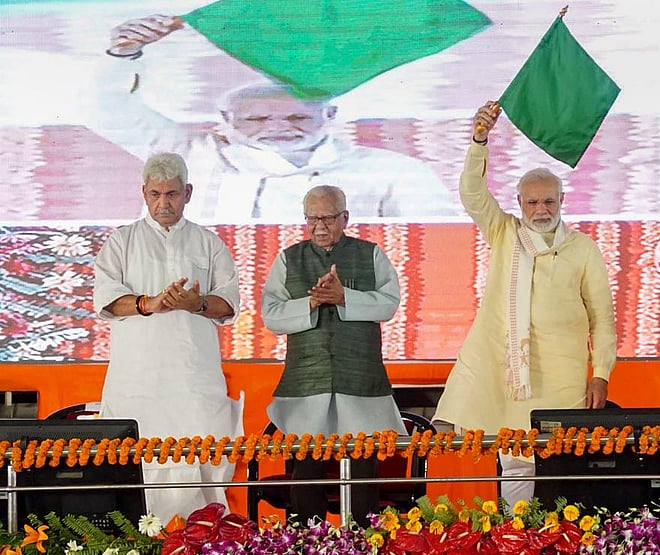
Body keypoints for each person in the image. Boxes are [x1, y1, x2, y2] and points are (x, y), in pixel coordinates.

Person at [93, 14, 456, 223]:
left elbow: (437, 239)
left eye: (298, 116)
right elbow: (106, 110)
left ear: (330, 114)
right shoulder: (188, 154)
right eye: (258, 118)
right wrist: (121, 54)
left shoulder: (394, 173)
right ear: (226, 118)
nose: (279, 127)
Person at [432, 102, 617, 508]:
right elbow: (472, 193)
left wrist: (601, 373)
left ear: (562, 200)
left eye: (548, 202)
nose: (541, 210)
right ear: (519, 203)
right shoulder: (504, 233)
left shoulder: (583, 248)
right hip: (511, 369)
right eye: (532, 203)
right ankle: (518, 532)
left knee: (560, 459)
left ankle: (564, 538)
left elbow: (603, 319)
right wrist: (479, 139)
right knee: (515, 459)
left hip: (564, 372)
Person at [93, 152, 242, 523]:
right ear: (143, 193)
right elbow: (107, 300)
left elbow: (228, 305)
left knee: (202, 460)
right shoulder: (121, 241)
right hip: (138, 381)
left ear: (188, 193)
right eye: (156, 194)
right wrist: (150, 302)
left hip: (194, 380)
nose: (164, 203)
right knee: (137, 464)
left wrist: (198, 303)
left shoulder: (209, 243)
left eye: (172, 194)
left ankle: (204, 551)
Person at [261, 184, 404, 523]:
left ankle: (363, 547)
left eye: (327, 218)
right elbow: (271, 315)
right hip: (306, 379)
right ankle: (309, 547)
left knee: (362, 464)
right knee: (306, 466)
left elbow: (389, 304)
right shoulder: (288, 258)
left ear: (345, 218)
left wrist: (344, 298)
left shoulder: (371, 254)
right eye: (312, 218)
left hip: (360, 377)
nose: (319, 226)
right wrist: (310, 302)